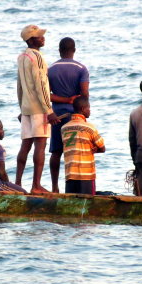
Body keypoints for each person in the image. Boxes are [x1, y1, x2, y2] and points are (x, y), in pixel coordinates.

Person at [15, 24, 60, 193]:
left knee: (25, 146)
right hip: (39, 108)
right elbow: (41, 85)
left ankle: (18, 184)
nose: (43, 38)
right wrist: (49, 111)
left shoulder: (22, 57)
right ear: (31, 39)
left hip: (26, 107)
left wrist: (21, 107)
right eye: (40, 36)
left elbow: (19, 85)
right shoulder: (37, 57)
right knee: (40, 147)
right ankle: (36, 185)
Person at [48, 37, 90, 193]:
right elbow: (84, 93)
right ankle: (76, 187)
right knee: (76, 152)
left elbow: (47, 95)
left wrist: (63, 99)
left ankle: (54, 187)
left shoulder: (50, 69)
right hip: (75, 115)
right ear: (74, 50)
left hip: (57, 116)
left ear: (59, 50)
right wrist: (86, 110)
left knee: (56, 151)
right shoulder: (81, 68)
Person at [61, 96, 105, 195]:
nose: (90, 110)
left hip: (70, 174)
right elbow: (102, 148)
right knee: (86, 204)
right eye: (88, 108)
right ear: (82, 109)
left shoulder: (64, 128)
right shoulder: (89, 128)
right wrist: (95, 149)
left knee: (71, 204)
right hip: (86, 175)